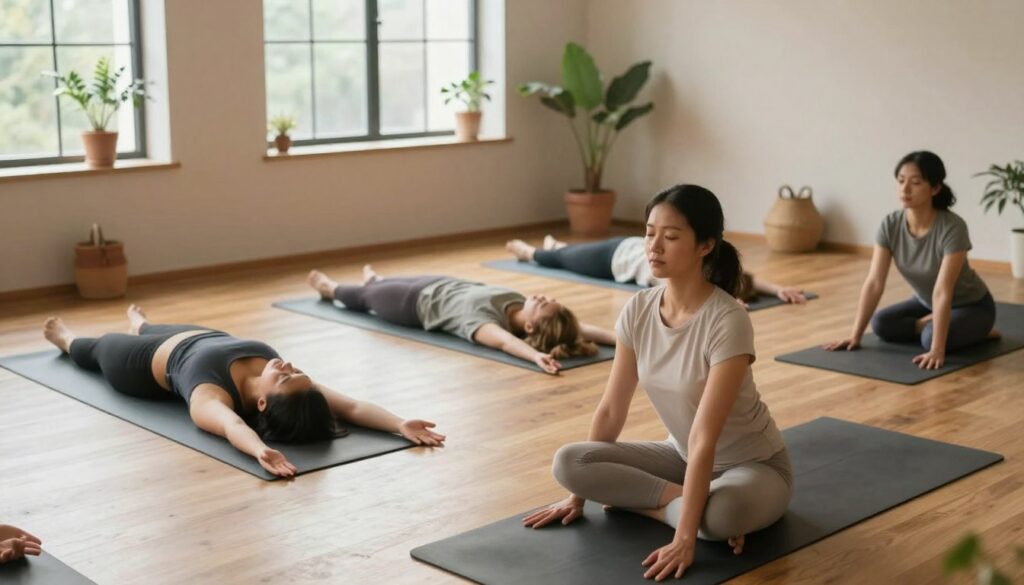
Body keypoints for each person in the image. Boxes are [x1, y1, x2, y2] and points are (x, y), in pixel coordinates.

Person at [522, 185, 792, 581]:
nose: (654, 246)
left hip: (753, 465)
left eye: (671, 236)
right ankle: (684, 506)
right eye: (650, 233)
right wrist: (578, 496)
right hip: (681, 458)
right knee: (569, 461)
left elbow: (705, 436)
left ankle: (674, 509)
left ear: (705, 246)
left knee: (720, 517)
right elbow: (612, 409)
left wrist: (685, 539)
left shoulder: (728, 320)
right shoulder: (638, 310)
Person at [43, 305, 445, 477]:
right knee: (149, 326)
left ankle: (66, 339)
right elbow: (353, 406)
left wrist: (258, 450)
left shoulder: (210, 396)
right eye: (296, 369)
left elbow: (232, 425)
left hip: (139, 363)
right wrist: (398, 423)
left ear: (264, 402)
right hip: (195, 335)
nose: (287, 366)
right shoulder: (290, 381)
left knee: (97, 347)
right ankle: (143, 324)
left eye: (285, 377)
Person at [824, 151, 997, 369]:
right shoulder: (890, 224)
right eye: (901, 181)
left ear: (934, 188)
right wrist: (855, 335)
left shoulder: (953, 227)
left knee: (929, 338)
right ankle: (933, 324)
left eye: (915, 182)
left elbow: (943, 290)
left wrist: (936, 350)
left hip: (972, 305)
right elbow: (875, 282)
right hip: (925, 303)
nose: (905, 189)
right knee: (881, 324)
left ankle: (976, 329)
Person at [307, 265, 615, 375]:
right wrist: (624, 339)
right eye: (548, 300)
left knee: (365, 296)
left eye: (543, 305)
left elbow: (507, 343)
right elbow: (579, 329)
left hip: (411, 306)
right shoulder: (519, 304)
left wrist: (535, 356)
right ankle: (378, 279)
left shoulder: (487, 326)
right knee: (383, 282)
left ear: (531, 327)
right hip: (440, 284)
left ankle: (329, 288)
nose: (544, 298)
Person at [505, 235, 807, 307]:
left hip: (617, 263)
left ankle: (555, 246)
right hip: (620, 252)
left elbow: (743, 281)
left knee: (567, 256)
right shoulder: (685, 273)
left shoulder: (692, 282)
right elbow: (744, 279)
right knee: (561, 259)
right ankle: (529, 251)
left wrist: (777, 290)